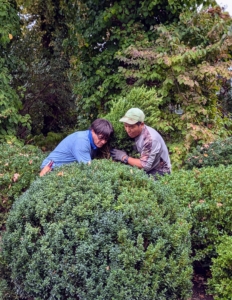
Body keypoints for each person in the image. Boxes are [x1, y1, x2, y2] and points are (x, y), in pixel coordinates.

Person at [110, 108, 171, 178]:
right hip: (149, 168)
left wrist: (124, 157)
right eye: (125, 126)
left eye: (131, 127)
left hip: (160, 171)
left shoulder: (150, 139)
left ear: (141, 124)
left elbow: (144, 165)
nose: (128, 130)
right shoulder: (135, 133)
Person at [40, 118, 114, 176]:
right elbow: (89, 169)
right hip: (50, 169)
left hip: (64, 169)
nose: (103, 142)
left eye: (106, 139)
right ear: (92, 131)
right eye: (101, 137)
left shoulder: (90, 139)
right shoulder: (82, 142)